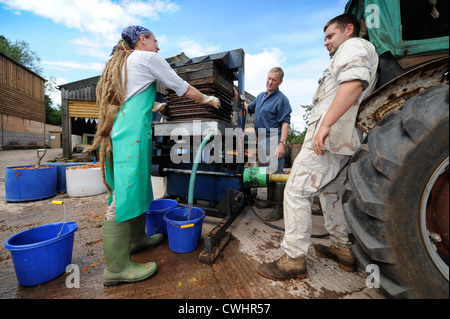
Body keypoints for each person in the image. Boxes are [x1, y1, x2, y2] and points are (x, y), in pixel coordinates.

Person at [85, 25, 220, 286]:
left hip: (119, 134)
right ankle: (116, 268)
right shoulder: (147, 57)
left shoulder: (121, 62)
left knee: (133, 190)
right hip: (130, 137)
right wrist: (205, 99)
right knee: (124, 197)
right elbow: (181, 87)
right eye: (156, 41)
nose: (158, 47)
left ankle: (136, 240)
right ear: (143, 39)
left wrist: (156, 105)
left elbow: (126, 96)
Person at [258, 13, 379, 280]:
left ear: (349, 30)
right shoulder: (350, 52)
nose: (325, 42)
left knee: (296, 191)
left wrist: (325, 126)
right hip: (341, 139)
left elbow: (354, 84)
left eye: (330, 36)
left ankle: (293, 259)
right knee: (331, 192)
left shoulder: (354, 46)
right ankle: (342, 249)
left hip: (328, 138)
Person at [239, 67, 292, 221]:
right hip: (261, 139)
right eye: (269, 78)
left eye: (274, 80)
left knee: (277, 174)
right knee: (267, 173)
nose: (270, 82)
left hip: (274, 140)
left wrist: (282, 144)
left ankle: (279, 208)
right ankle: (269, 201)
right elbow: (249, 108)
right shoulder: (261, 96)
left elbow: (285, 123)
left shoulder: (282, 99)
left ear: (280, 82)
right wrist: (238, 97)